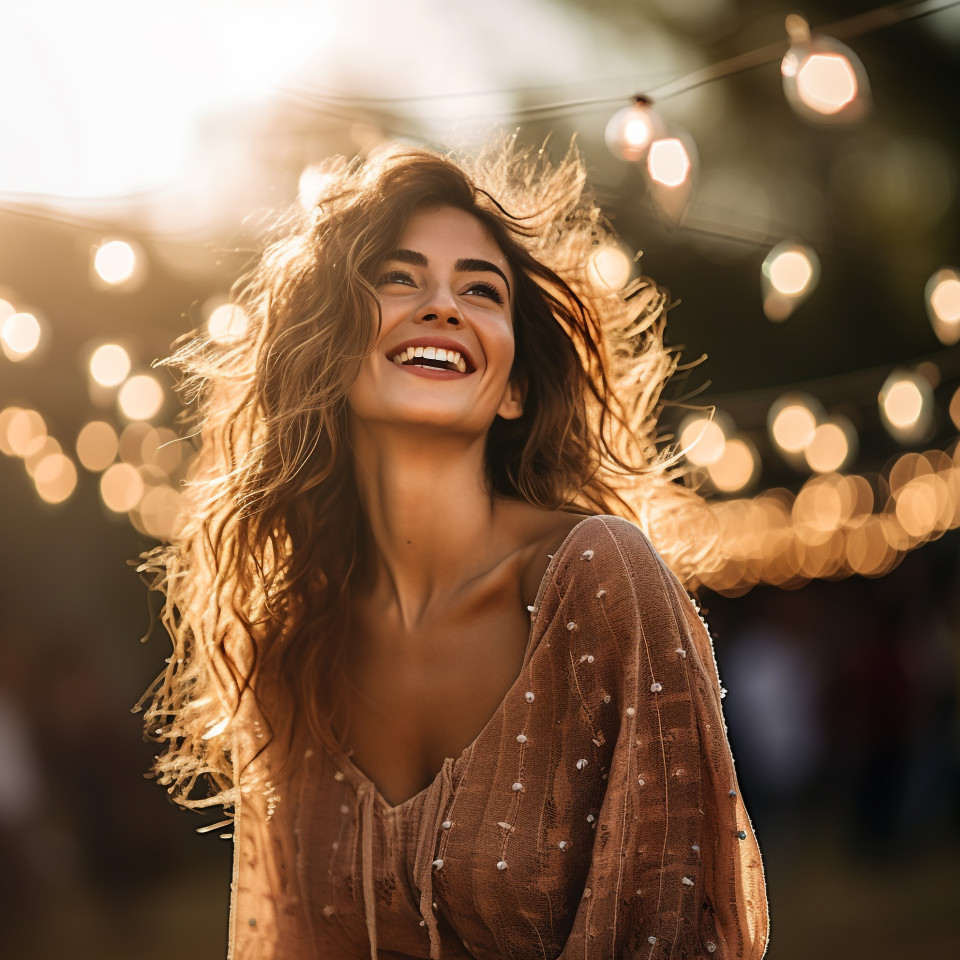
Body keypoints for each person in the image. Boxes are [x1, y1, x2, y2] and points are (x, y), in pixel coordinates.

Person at [139, 137, 768, 960]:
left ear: (512, 388)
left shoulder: (598, 580)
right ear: (329, 348)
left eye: (481, 290)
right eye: (400, 278)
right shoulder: (291, 640)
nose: (444, 306)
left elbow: (676, 933)